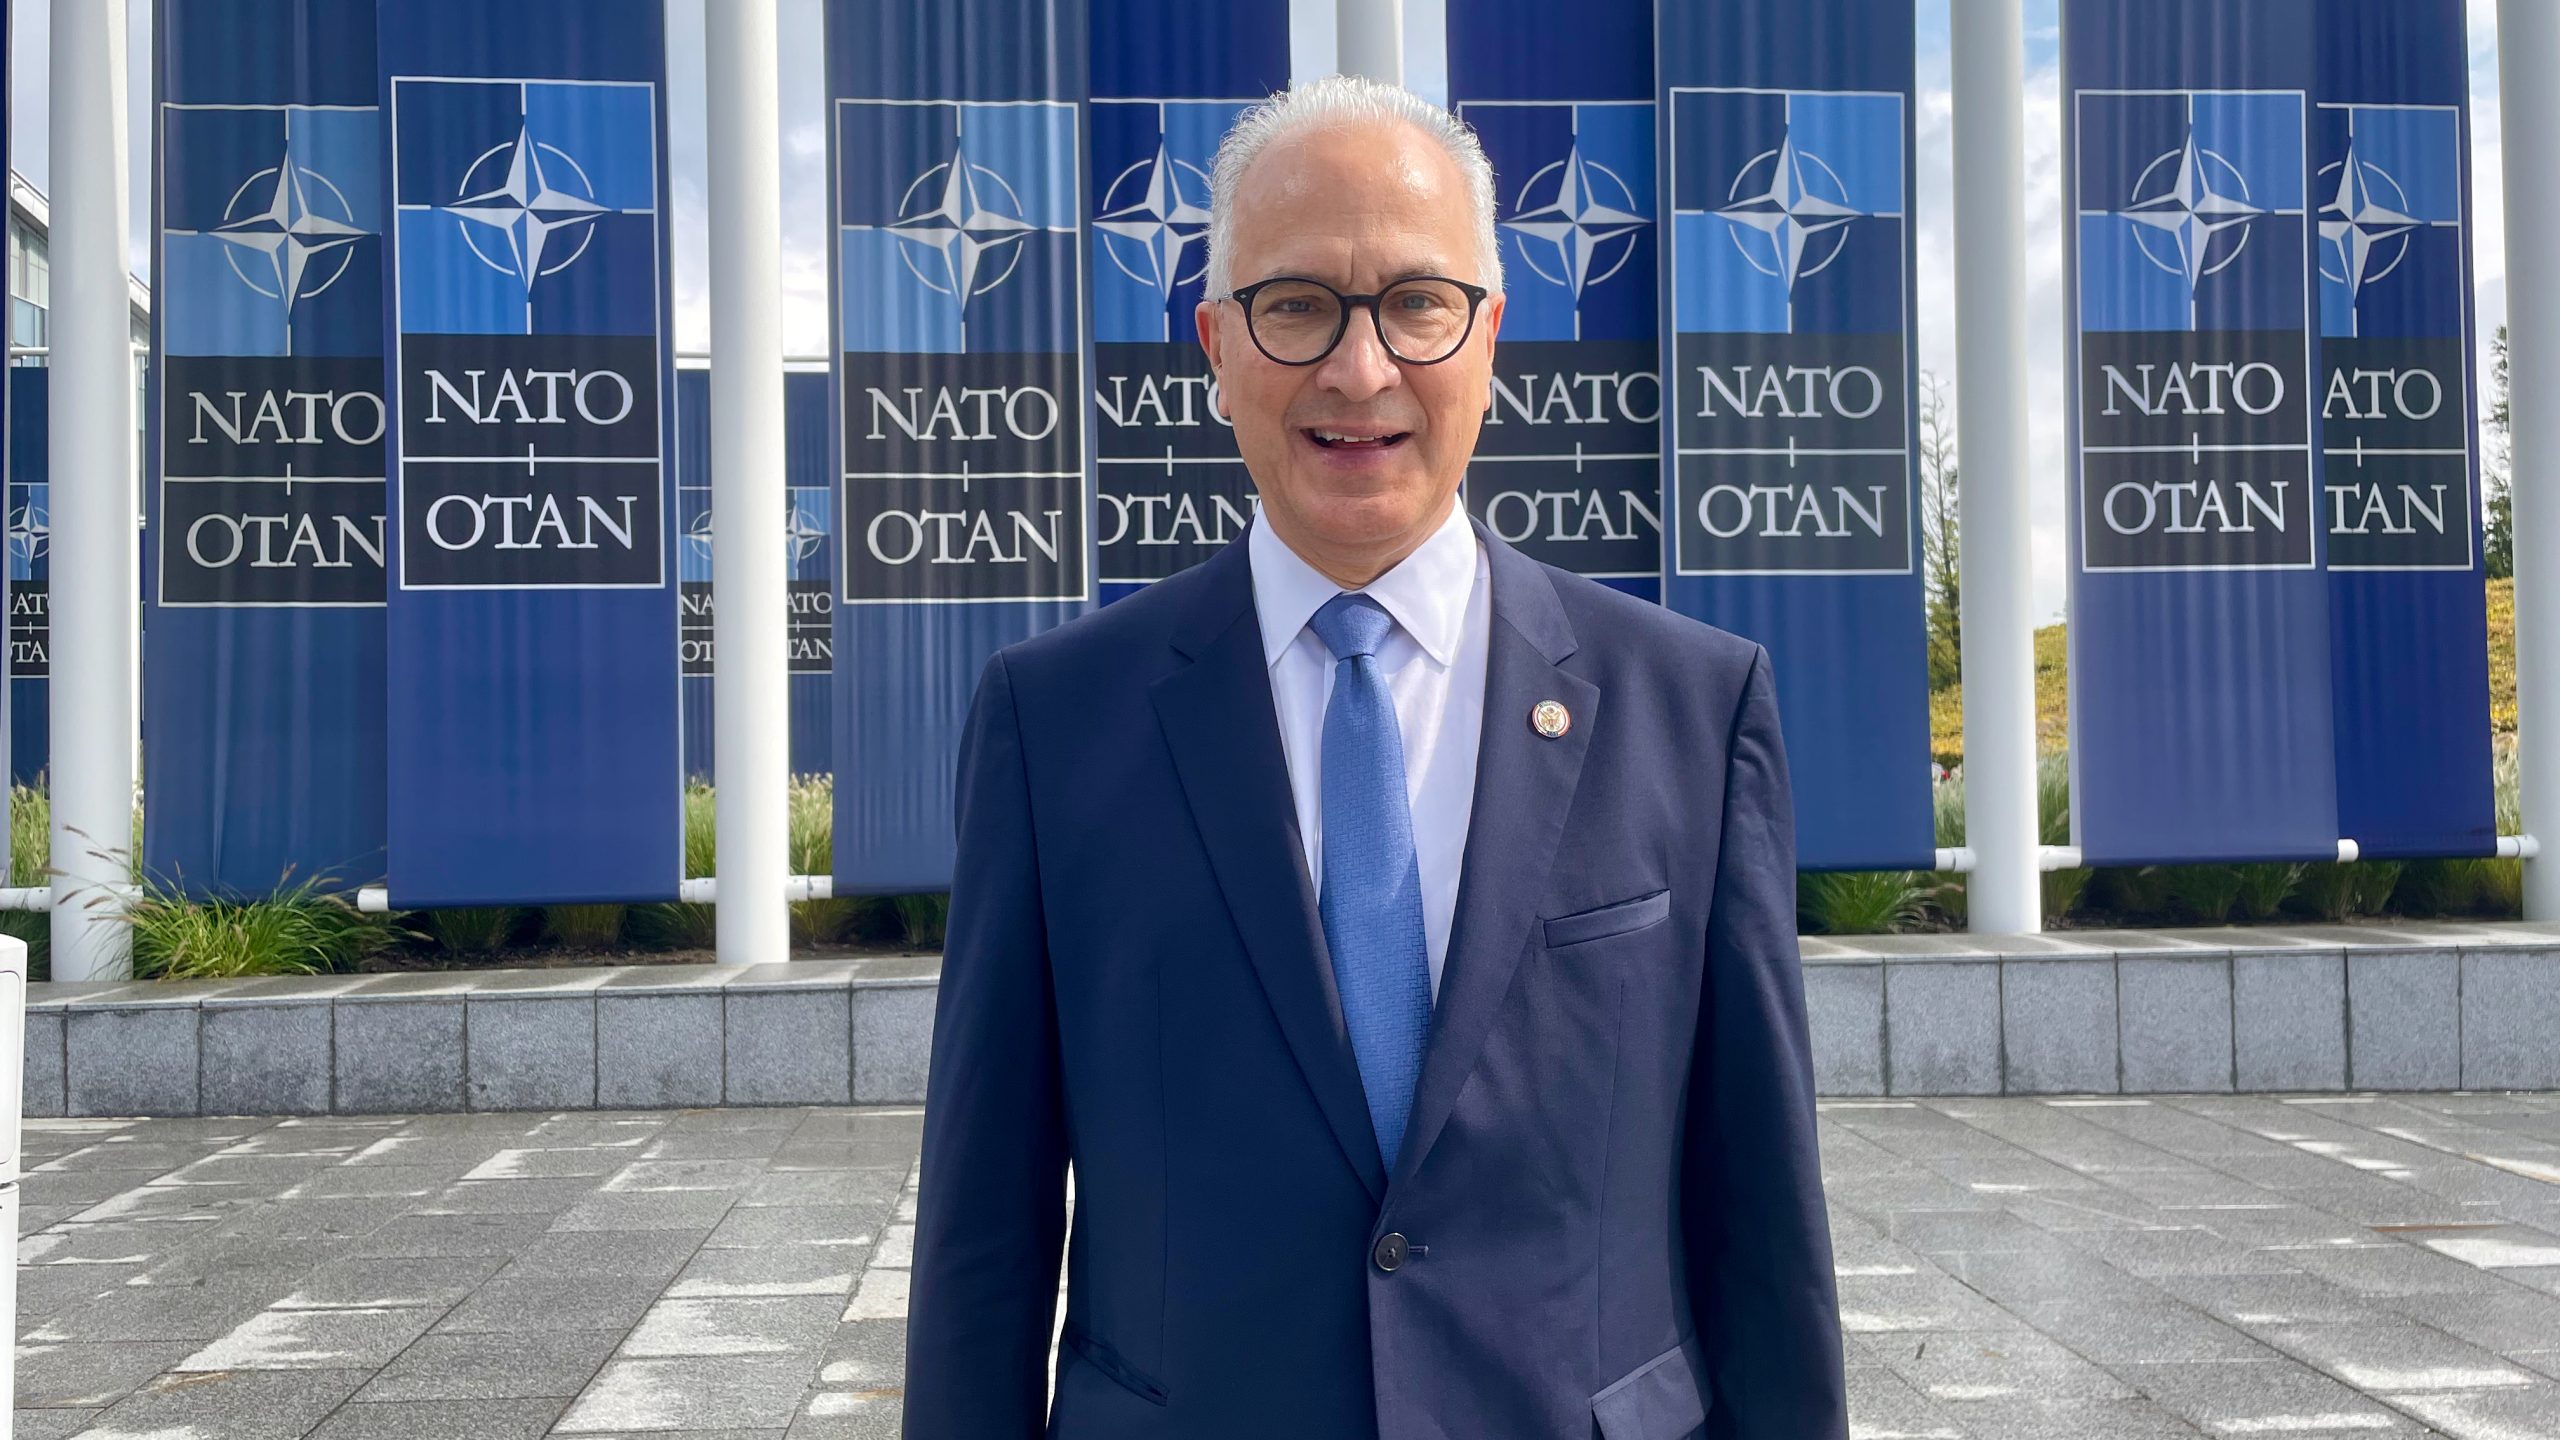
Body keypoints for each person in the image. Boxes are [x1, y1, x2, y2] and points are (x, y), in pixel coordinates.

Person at [903, 74, 1847, 1440]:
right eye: (1298, 308)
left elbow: (1764, 1219)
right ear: (1217, 347)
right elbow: (982, 1238)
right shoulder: (1055, 725)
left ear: (1491, 339)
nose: (1361, 370)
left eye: (1417, 301)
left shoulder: (1692, 711)